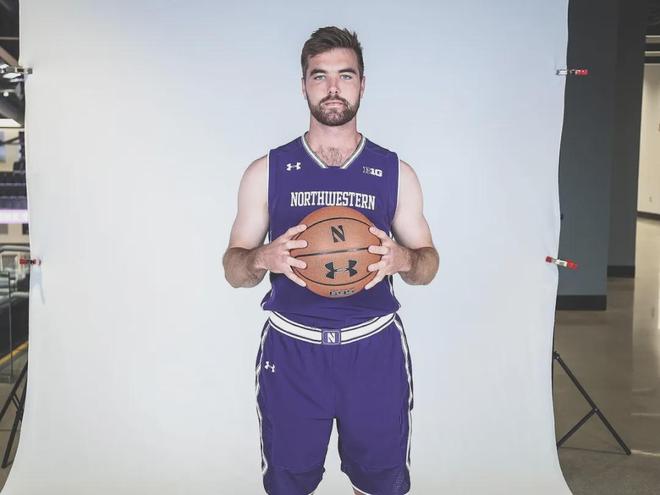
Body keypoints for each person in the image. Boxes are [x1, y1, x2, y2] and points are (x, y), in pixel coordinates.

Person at [223, 26, 439, 495]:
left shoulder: (395, 172)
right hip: (292, 351)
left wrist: (403, 258)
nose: (333, 87)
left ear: (362, 84)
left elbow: (428, 266)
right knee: (288, 486)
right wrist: (262, 256)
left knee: (380, 486)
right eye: (320, 76)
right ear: (304, 85)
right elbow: (234, 270)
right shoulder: (267, 171)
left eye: (346, 75)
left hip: (373, 350)